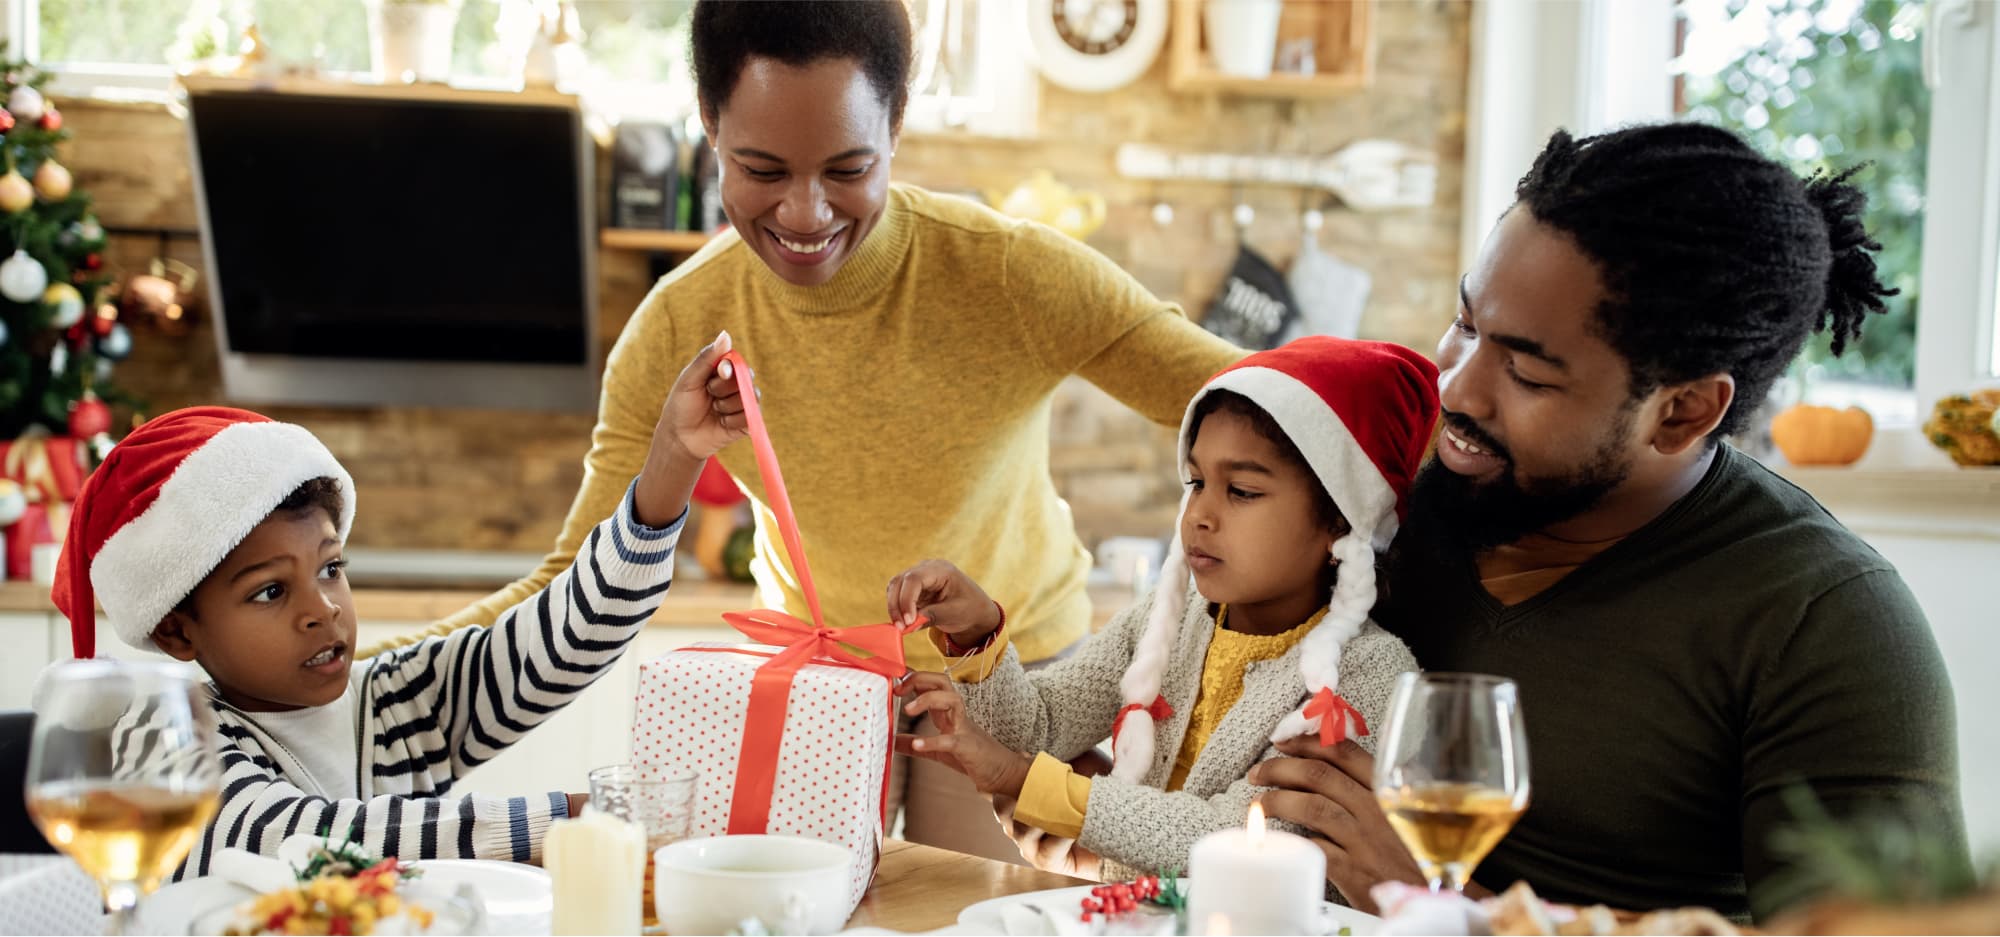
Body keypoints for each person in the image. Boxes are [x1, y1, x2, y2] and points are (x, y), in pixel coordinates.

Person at [403, 0, 1241, 860]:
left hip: (1011, 677)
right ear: (709, 126)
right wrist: (367, 686)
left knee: (979, 918)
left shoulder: (1009, 274)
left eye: (848, 169)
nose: (805, 215)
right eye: (760, 169)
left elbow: (1262, 402)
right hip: (815, 681)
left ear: (898, 124)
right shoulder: (677, 323)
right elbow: (572, 583)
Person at [1250, 123, 1968, 922]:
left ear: (1683, 410)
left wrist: (1444, 905)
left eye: (1524, 370)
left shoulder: (1824, 621)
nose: (1455, 387)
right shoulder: (1398, 481)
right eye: (1465, 322)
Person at [48, 334, 745, 878]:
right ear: (177, 629)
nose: (321, 609)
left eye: (331, 567)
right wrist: (562, 820)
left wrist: (675, 456)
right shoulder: (167, 734)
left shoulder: (394, 701)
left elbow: (567, 633)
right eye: (269, 590)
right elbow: (295, 839)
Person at [888, 337, 1434, 881]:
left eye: (1241, 490)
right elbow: (1042, 726)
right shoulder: (1169, 620)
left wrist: (1022, 779)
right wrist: (976, 632)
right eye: (1196, 482)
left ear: (1340, 522)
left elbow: (1241, 837)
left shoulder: (1368, 676)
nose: (1199, 513)